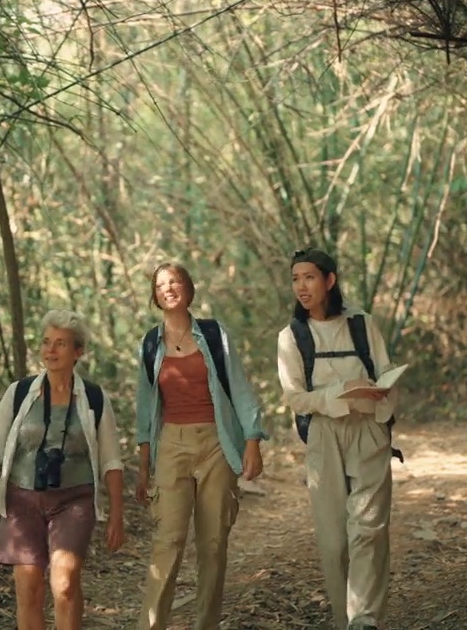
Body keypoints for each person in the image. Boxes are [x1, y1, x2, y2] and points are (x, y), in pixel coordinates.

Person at [0, 309, 125, 630]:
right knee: (29, 587)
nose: (50, 350)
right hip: (22, 498)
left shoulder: (93, 397)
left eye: (60, 344)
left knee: (64, 582)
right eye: (46, 342)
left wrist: (117, 514)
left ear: (78, 352)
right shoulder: (20, 392)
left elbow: (111, 460)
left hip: (75, 498)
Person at [135, 262, 267, 630]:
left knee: (212, 546)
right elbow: (145, 411)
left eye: (175, 281)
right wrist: (143, 467)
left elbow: (239, 388)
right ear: (155, 296)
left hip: (216, 444)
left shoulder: (214, 334)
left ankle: (206, 624)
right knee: (168, 542)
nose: (168, 288)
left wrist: (252, 440)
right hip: (171, 446)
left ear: (188, 288)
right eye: (161, 284)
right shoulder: (150, 344)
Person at [277, 248, 400, 630]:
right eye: (296, 278)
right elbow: (294, 396)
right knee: (334, 541)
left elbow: (387, 373)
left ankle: (364, 619)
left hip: (368, 430)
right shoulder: (291, 336)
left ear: (330, 280)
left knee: (369, 528)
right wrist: (340, 393)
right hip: (323, 435)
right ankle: (342, 617)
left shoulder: (363, 324)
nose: (301, 286)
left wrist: (379, 400)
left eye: (309, 277)